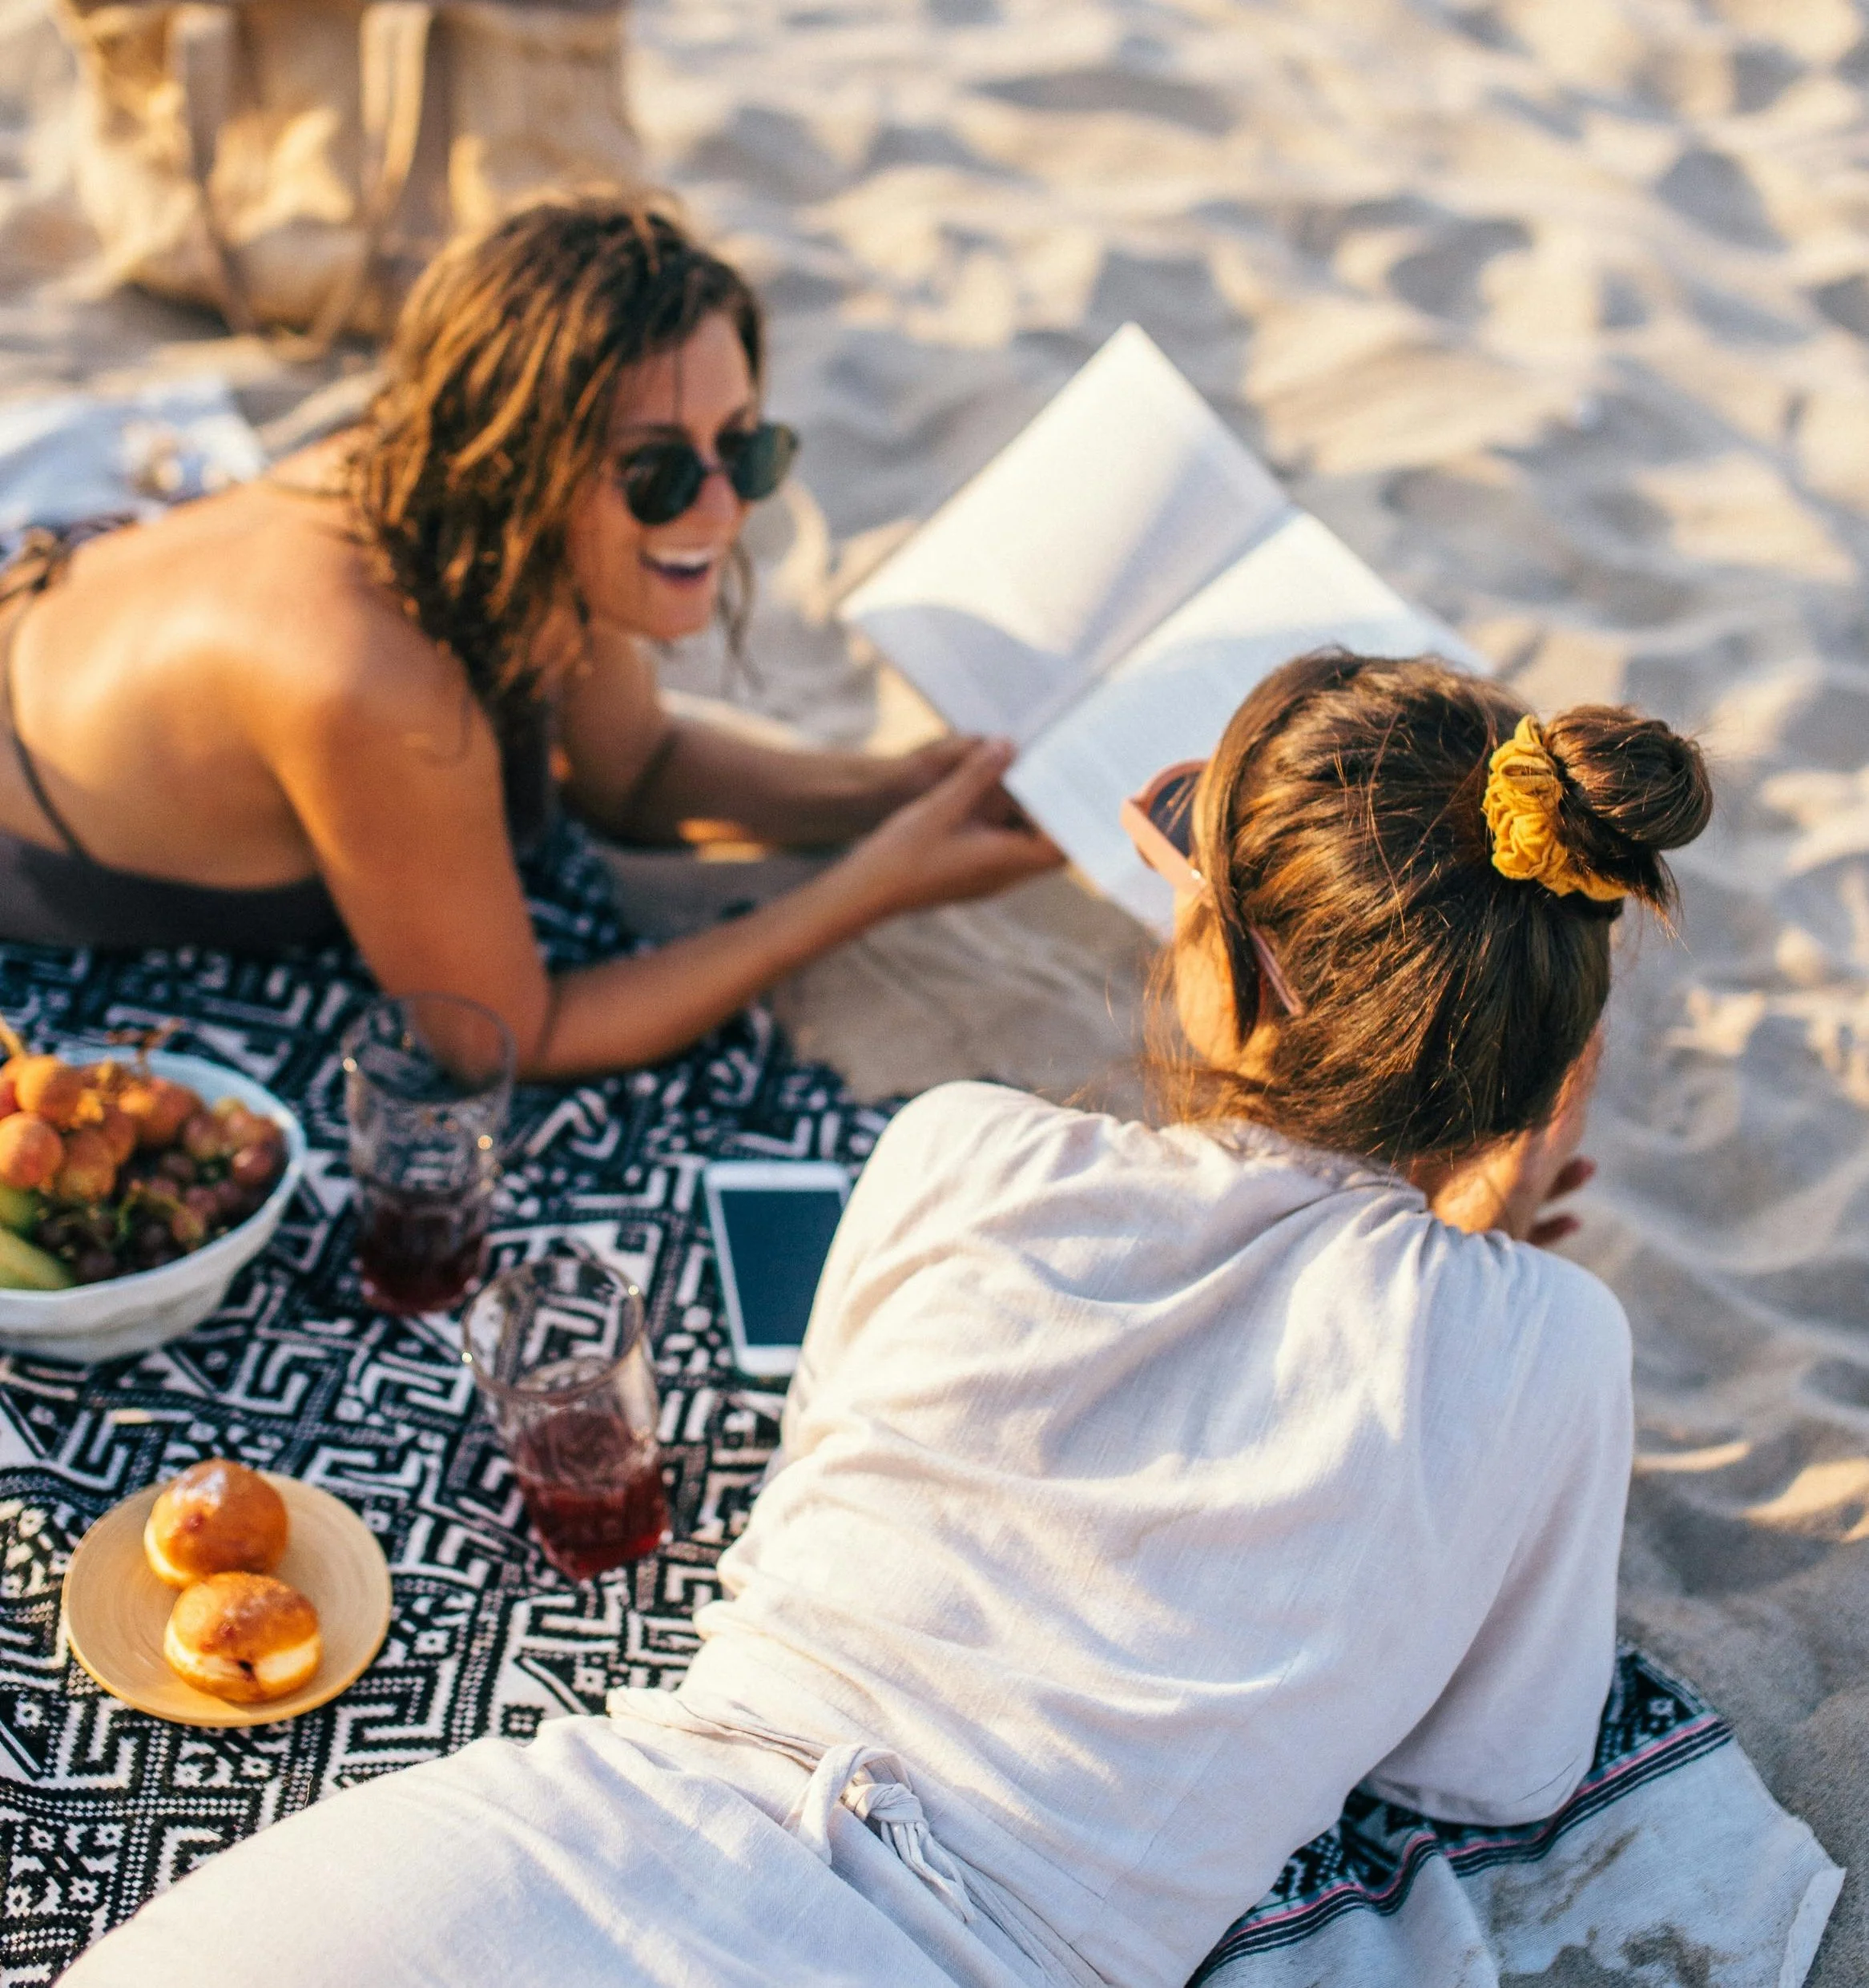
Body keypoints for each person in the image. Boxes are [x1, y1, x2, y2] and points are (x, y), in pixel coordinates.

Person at [66, 653, 1712, 1988]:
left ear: (1237, 966)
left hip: (542, 1850)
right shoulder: (1543, 1348)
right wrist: (1463, 1253)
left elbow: (832, 1486)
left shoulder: (961, 1144)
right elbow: (1492, 1769)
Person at [0, 196, 1057, 1075]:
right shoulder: (373, 680)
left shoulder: (495, 519)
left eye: (746, 448)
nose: (722, 506)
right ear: (526, 460)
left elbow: (634, 774)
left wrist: (892, 791)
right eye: (659, 472)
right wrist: (872, 888)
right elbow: (505, 1034)